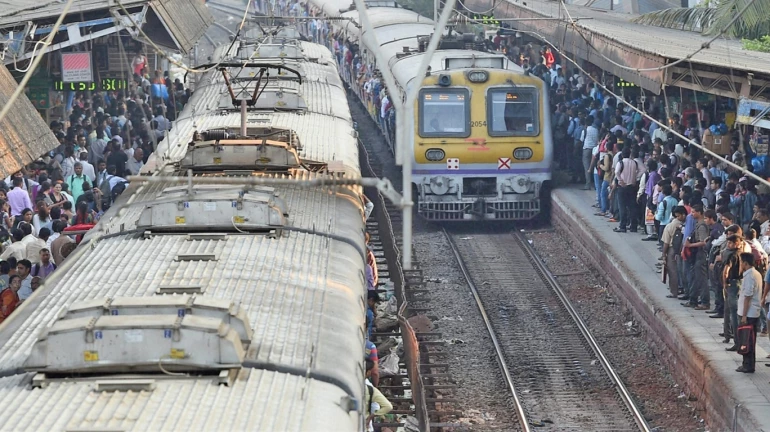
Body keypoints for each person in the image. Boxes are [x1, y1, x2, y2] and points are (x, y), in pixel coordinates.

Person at [736, 252, 762, 373]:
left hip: (749, 313)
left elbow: (748, 296)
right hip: (751, 312)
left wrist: (744, 315)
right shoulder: (755, 274)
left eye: (741, 262)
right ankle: (747, 363)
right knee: (749, 339)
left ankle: (748, 365)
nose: (740, 265)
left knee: (747, 339)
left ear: (745, 263)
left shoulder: (750, 275)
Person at [662, 206, 687, 298]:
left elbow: (666, 243)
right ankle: (684, 289)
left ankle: (674, 291)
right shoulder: (686, 224)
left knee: (673, 271)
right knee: (683, 270)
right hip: (683, 249)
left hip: (673, 250)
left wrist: (664, 255)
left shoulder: (670, 226)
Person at [364, 360, 393, 432]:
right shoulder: (370, 389)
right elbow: (388, 406)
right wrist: (371, 416)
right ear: (368, 372)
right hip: (364, 424)